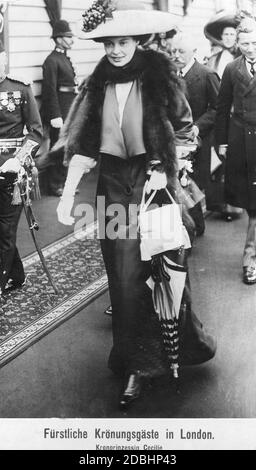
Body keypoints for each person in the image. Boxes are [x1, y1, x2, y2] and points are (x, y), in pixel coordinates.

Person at [56, 0, 216, 409]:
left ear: (138, 41)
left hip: (152, 185)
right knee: (123, 279)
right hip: (112, 189)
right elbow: (84, 144)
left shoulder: (159, 77)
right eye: (108, 43)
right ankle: (135, 366)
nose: (115, 50)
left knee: (162, 268)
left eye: (123, 42)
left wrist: (166, 167)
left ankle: (178, 348)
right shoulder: (97, 83)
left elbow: (184, 132)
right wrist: (70, 190)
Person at [166, 31, 220, 235]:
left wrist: (198, 127)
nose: (176, 55)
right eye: (173, 51)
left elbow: (217, 108)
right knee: (175, 181)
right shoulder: (169, 75)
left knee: (191, 181)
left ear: (194, 52)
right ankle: (186, 226)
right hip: (173, 139)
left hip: (198, 140)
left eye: (181, 51)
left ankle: (195, 224)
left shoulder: (207, 75)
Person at [0, 40, 43, 298]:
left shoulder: (20, 88)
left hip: (12, 171)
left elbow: (36, 131)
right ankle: (15, 273)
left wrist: (19, 158)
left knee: (5, 230)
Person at [215, 17, 256, 285]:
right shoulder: (231, 69)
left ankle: (250, 257)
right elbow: (222, 108)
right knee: (253, 203)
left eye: (254, 43)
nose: (251, 48)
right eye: (245, 44)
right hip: (243, 139)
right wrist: (222, 142)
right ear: (237, 45)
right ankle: (250, 260)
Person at [205, 10, 243, 221]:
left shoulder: (241, 58)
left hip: (236, 112)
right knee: (216, 159)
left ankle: (232, 206)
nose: (229, 38)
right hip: (218, 111)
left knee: (232, 160)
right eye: (225, 35)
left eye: (232, 34)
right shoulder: (214, 58)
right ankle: (218, 203)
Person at [41, 19, 78, 197]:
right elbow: (49, 90)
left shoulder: (64, 58)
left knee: (69, 147)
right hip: (60, 113)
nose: (72, 40)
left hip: (69, 109)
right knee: (57, 148)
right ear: (58, 38)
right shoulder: (51, 60)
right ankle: (55, 185)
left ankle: (64, 182)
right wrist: (55, 115)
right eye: (68, 37)